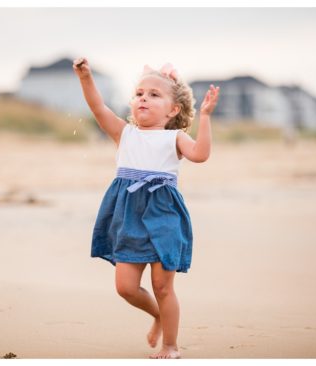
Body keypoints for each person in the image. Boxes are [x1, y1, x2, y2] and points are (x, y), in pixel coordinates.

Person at [74, 58, 219, 359]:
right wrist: (86, 76)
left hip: (164, 214)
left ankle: (171, 344)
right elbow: (98, 107)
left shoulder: (174, 137)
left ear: (173, 110)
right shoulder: (124, 133)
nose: (144, 98)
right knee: (126, 287)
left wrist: (205, 116)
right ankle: (156, 315)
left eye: (154, 94)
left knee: (162, 286)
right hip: (128, 214)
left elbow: (200, 154)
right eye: (140, 93)